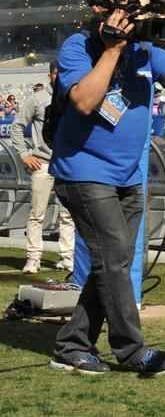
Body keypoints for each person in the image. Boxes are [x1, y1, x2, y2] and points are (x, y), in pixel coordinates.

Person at [49, 0, 165, 377]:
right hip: (83, 171)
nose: (129, 13)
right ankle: (132, 351)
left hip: (128, 175)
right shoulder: (78, 46)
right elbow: (83, 101)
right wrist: (112, 50)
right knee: (114, 258)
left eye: (134, 5)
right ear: (98, 8)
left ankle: (72, 344)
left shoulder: (147, 49)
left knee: (110, 263)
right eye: (120, 5)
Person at [15, 71, 75, 275]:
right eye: (58, 72)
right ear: (50, 74)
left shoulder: (74, 96)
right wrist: (24, 154)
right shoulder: (38, 98)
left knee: (68, 215)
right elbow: (17, 126)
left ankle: (67, 257)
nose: (61, 76)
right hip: (42, 162)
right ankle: (33, 258)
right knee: (37, 214)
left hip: (67, 164)